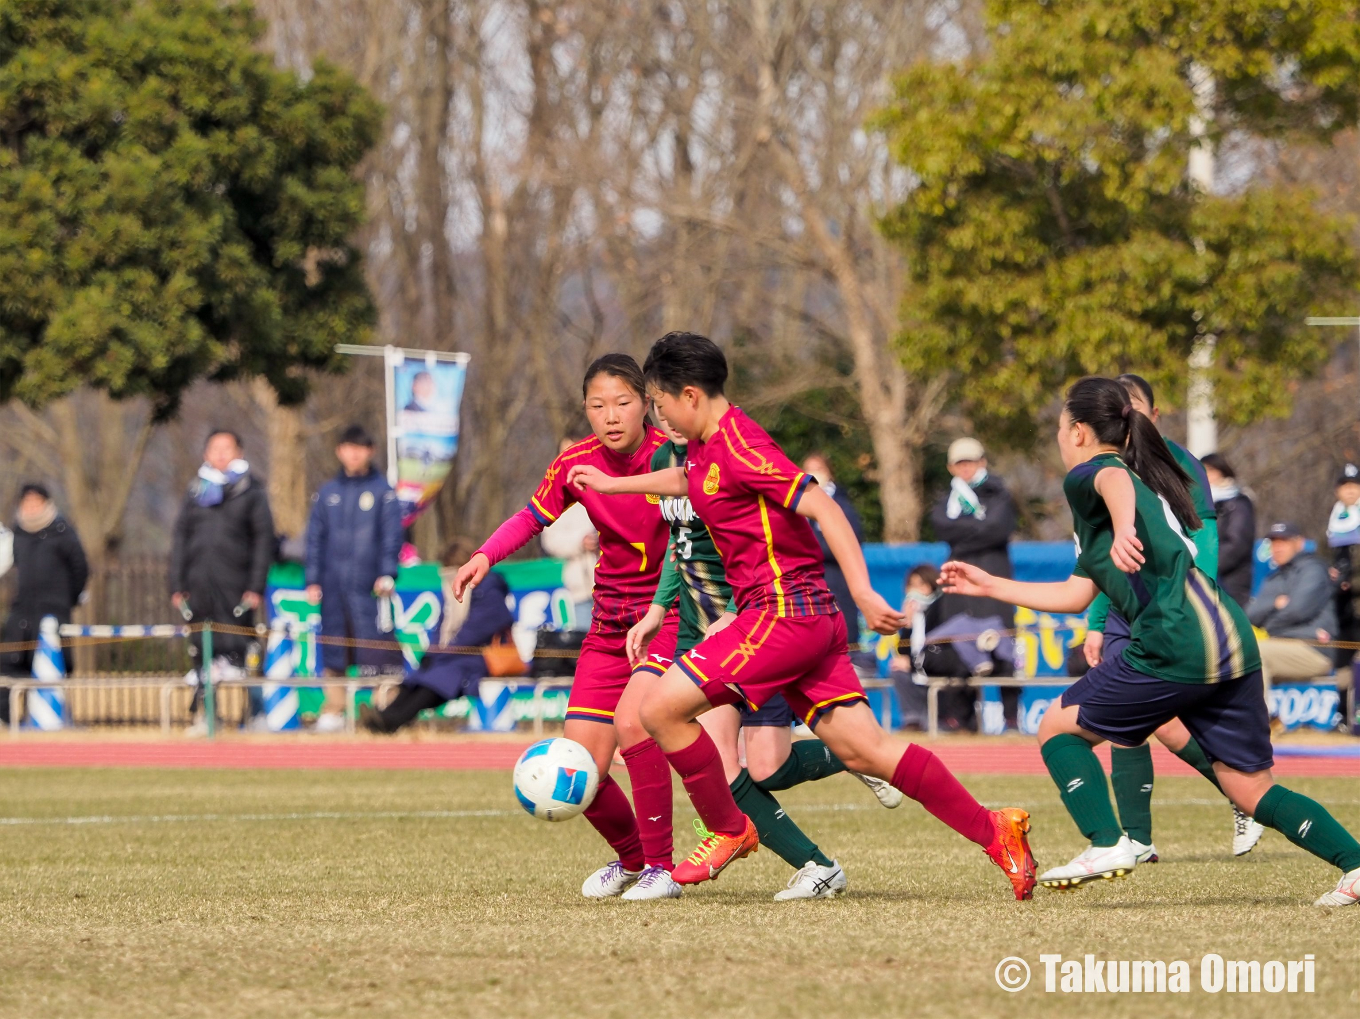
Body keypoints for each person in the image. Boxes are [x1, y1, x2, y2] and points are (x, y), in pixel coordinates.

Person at [568, 332, 1036, 901]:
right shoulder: (709, 448)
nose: (658, 420)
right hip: (807, 617)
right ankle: (996, 830)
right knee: (866, 750)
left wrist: (863, 590)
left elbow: (820, 504)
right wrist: (616, 484)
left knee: (657, 709)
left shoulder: (739, 443)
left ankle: (727, 828)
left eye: (660, 406)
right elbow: (689, 482)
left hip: (780, 613)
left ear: (688, 396)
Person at [942, 375, 1360, 907]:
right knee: (1249, 789)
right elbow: (1077, 593)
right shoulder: (1128, 481)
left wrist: (1122, 528)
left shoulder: (1096, 473)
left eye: (1059, 426)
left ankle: (1109, 841)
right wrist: (991, 584)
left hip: (1174, 638)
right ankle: (1356, 864)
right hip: (1228, 636)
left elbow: (1111, 482)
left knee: (1057, 730)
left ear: (1077, 432)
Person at [623, 411, 901, 901]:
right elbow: (680, 545)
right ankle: (824, 844)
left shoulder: (731, 455)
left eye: (671, 401)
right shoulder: (668, 462)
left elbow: (763, 537)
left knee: (754, 767)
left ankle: (849, 774)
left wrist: (735, 610)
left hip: (759, 625)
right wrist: (656, 608)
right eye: (657, 403)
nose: (665, 415)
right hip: (701, 633)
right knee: (741, 767)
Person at [452, 354, 680, 900]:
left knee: (636, 726)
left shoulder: (672, 457)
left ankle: (662, 868)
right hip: (607, 623)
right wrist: (486, 555)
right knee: (582, 766)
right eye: (598, 406)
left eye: (623, 402)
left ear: (646, 402)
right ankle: (630, 860)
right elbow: (531, 517)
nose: (611, 415)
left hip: (665, 615)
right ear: (585, 410)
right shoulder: (576, 462)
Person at [1087, 374, 1257, 864]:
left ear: (1154, 416)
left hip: (1173, 608)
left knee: (1168, 725)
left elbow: (1202, 535)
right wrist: (1097, 621)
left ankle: (1239, 792)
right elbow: (1103, 557)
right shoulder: (1104, 468)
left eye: (1133, 407)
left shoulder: (1180, 462)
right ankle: (1137, 840)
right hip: (1124, 611)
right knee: (1127, 721)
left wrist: (1191, 596)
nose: (1125, 416)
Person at [169, 430, 275, 732]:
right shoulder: (194, 492)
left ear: (239, 453)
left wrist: (255, 586)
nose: (220, 454)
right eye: (214, 448)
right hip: (200, 586)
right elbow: (179, 539)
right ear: (205, 454)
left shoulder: (252, 491)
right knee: (202, 653)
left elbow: (263, 540)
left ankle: (256, 713)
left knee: (245, 651)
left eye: (227, 448)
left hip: (237, 587)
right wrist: (177, 584)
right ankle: (207, 715)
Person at [304, 425, 405, 732]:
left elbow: (392, 537)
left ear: (370, 451)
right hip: (333, 585)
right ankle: (334, 710)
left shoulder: (383, 493)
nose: (354, 453)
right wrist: (313, 578)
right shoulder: (328, 493)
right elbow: (315, 539)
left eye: (360, 447)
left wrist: (387, 573)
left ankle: (382, 708)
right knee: (334, 648)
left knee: (377, 648)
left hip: (370, 587)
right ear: (339, 451)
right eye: (348, 447)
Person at [361, 539, 514, 734]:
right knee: (417, 678)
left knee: (436, 679)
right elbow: (441, 626)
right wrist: (432, 653)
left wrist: (441, 653)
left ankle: (391, 721)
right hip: (453, 656)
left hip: (479, 657)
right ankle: (385, 716)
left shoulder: (489, 589)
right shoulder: (454, 590)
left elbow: (477, 630)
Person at [929, 437, 1019, 727]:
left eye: (970, 461)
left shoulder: (999, 493)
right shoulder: (947, 499)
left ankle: (1011, 719)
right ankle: (964, 721)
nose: (965, 468)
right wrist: (977, 528)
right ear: (950, 467)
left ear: (982, 462)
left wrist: (961, 533)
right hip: (959, 584)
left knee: (1002, 646)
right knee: (959, 647)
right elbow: (940, 525)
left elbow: (997, 529)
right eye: (959, 463)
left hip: (994, 580)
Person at [0, 485, 89, 718]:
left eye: (36, 502)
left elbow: (80, 568)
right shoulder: (16, 534)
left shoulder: (63, 531)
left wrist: (68, 598)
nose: (31, 508)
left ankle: (51, 716)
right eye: (27, 503)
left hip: (54, 610)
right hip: (23, 610)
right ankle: (6, 718)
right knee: (9, 661)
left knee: (52, 664)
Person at [1248, 522, 1337, 694]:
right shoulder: (1274, 578)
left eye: (1284, 541)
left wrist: (1270, 624)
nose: (1277, 547)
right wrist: (1274, 603)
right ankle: (1268, 718)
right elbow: (1249, 616)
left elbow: (1297, 611)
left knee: (1255, 653)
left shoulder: (1313, 569)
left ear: (1299, 543)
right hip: (1280, 645)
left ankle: (1258, 720)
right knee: (1238, 653)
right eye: (1274, 542)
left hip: (1313, 649)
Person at [801, 453, 864, 640]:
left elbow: (846, 544)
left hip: (836, 584)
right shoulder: (796, 502)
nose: (813, 474)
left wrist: (806, 545)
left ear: (830, 473)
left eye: (818, 469)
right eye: (809, 469)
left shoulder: (842, 506)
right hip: (806, 587)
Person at [539, 437, 598, 631]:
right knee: (585, 643)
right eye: (565, 454)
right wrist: (581, 541)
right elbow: (550, 540)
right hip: (581, 588)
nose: (570, 459)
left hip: (617, 585)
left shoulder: (605, 484)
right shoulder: (556, 494)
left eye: (575, 452)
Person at [1202, 453, 1255, 608]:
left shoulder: (1238, 503)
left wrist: (1207, 565)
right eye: (1202, 470)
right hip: (1208, 575)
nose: (1207, 475)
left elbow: (1237, 543)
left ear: (1222, 471)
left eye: (1211, 470)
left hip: (1231, 579)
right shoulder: (1202, 502)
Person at [1326, 464, 1360, 707]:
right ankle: (1344, 712)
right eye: (1345, 486)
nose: (1350, 491)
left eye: (1355, 486)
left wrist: (1353, 581)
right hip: (1340, 605)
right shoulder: (1333, 520)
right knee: (1343, 658)